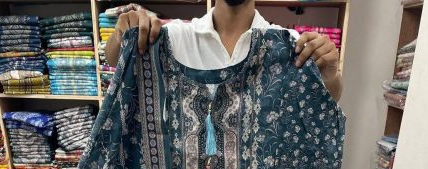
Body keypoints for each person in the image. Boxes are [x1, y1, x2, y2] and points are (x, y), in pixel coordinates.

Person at [105, 0, 342, 101]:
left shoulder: (290, 45)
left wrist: (330, 75)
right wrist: (123, 35)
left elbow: (327, 100)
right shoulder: (175, 38)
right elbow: (114, 60)